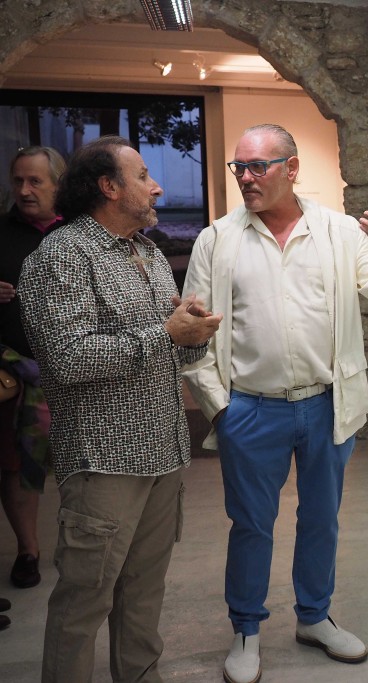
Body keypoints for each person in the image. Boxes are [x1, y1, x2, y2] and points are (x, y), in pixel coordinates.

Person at [181, 123, 368, 683]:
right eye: (240, 167)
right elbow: (192, 332)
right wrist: (219, 408)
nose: (246, 178)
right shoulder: (218, 239)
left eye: (258, 166)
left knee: (321, 520)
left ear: (292, 168)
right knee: (252, 524)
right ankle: (247, 629)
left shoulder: (338, 232)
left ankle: (314, 617)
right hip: (250, 409)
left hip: (324, 405)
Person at [17, 135, 222, 682]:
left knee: (144, 592)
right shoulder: (60, 257)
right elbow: (67, 359)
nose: (156, 186)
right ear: (109, 188)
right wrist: (165, 332)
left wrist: (193, 331)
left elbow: (172, 350)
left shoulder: (148, 251)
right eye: (142, 176)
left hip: (163, 449)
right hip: (104, 459)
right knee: (85, 601)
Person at [0, 146, 65, 591]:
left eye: (35, 181)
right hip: (16, 374)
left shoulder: (80, 233)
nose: (24, 190)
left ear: (58, 185)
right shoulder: (1, 232)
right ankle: (28, 549)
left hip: (78, 372)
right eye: (18, 180)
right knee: (19, 464)